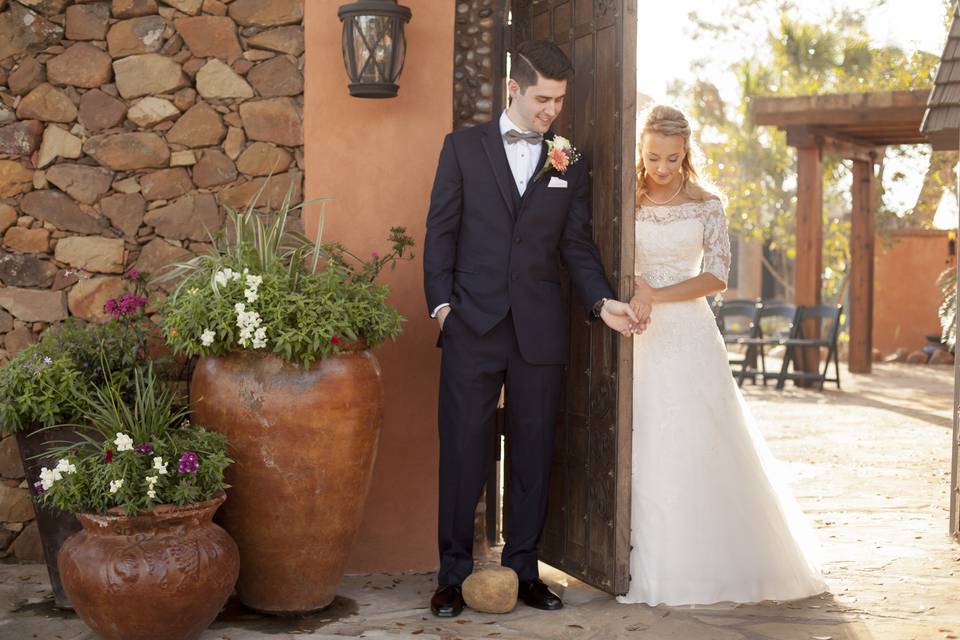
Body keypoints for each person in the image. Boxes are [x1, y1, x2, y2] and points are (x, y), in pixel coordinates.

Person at [422, 40, 641, 618]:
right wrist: (443, 309)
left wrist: (601, 302)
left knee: (534, 452)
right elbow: (439, 233)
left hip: (539, 330)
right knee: (463, 451)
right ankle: (451, 574)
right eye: (543, 98)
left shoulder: (570, 158)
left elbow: (576, 244)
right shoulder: (462, 148)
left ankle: (523, 568)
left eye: (560, 101)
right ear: (513, 89)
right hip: (472, 323)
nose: (551, 111)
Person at [618, 104, 827, 606]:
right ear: (641, 151)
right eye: (652, 157)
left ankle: (702, 561)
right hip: (634, 330)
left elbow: (716, 278)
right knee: (639, 436)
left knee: (697, 437)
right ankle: (629, 556)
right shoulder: (627, 197)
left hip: (688, 333)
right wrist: (632, 291)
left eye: (671, 158)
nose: (661, 168)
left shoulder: (708, 204)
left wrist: (654, 294)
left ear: (686, 151)